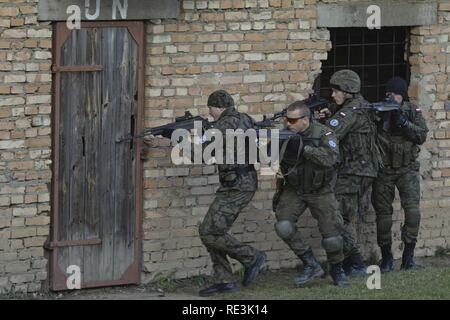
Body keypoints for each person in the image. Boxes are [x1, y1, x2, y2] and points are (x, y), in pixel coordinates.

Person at [197, 90, 266, 297]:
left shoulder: (223, 125)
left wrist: (181, 142)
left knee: (209, 232)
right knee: (213, 231)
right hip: (240, 183)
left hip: (237, 186)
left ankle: (252, 257)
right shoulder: (244, 119)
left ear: (218, 107)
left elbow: (204, 153)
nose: (210, 114)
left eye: (210, 109)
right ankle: (224, 280)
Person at [273, 100, 349, 287]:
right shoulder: (285, 133)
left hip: (320, 191)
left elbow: (331, 158)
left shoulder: (324, 133)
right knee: (283, 226)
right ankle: (311, 264)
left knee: (332, 238)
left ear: (305, 120)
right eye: (286, 120)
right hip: (295, 189)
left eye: (292, 120)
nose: (288, 124)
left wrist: (303, 149)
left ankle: (337, 269)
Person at [323, 69, 379, 277]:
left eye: (336, 91)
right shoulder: (359, 105)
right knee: (345, 216)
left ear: (347, 91)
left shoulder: (351, 111)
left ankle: (355, 262)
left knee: (337, 215)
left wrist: (311, 126)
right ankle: (349, 262)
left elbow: (330, 133)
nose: (333, 95)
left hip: (353, 171)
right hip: (360, 170)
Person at [371, 77, 428, 272]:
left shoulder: (412, 111)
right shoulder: (378, 112)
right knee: (383, 217)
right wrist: (383, 117)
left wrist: (402, 122)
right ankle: (386, 257)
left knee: (413, 213)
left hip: (407, 169)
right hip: (384, 171)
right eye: (389, 94)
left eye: (395, 94)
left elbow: (421, 135)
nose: (391, 97)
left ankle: (408, 257)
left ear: (402, 95)